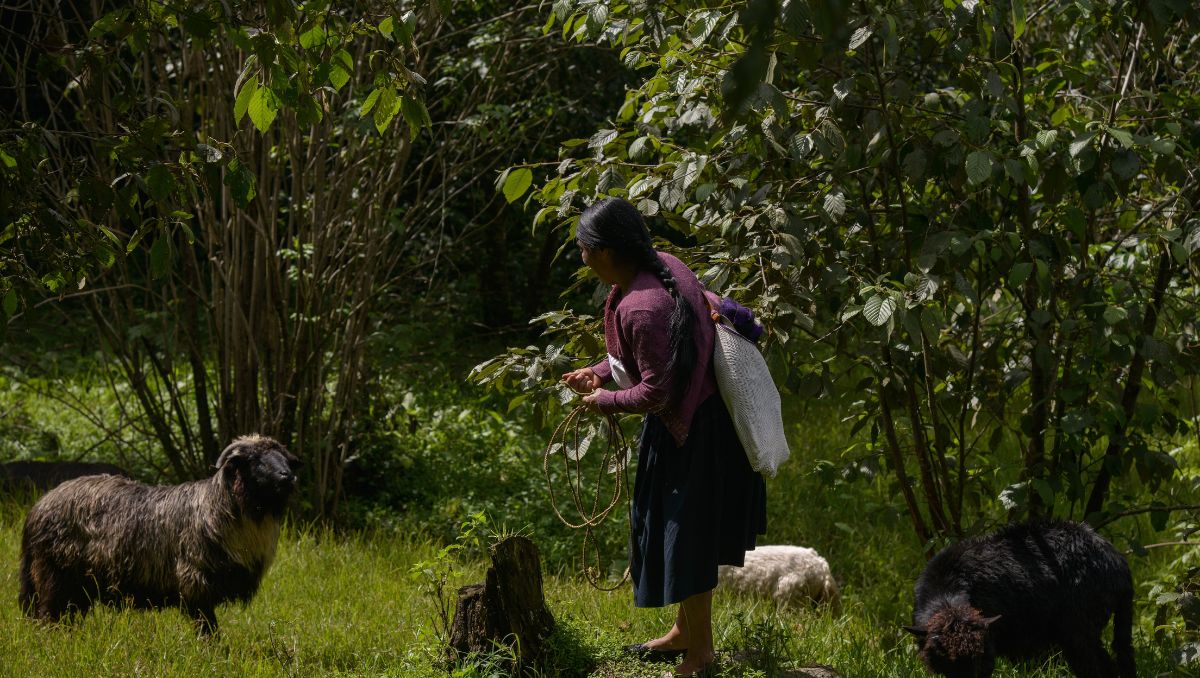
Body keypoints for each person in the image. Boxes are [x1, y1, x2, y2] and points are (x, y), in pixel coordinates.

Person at [562, 197, 767, 677]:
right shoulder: (663, 269)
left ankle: (702, 654)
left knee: (687, 542)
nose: (582, 258)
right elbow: (658, 357)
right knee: (687, 537)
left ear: (608, 252)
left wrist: (604, 401)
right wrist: (598, 373)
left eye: (584, 248)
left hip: (693, 437)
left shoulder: (641, 305)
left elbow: (657, 391)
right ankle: (683, 633)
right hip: (704, 424)